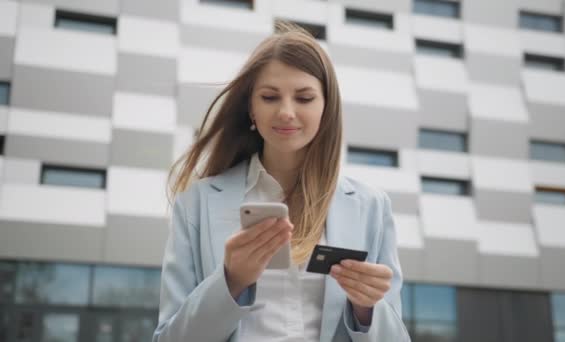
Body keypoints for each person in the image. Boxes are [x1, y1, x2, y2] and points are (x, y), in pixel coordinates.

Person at [152, 23, 410, 342]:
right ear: (251, 108)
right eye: (270, 97)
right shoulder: (196, 204)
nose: (287, 112)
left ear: (326, 108)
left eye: (304, 98)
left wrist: (366, 309)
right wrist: (231, 282)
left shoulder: (371, 206)